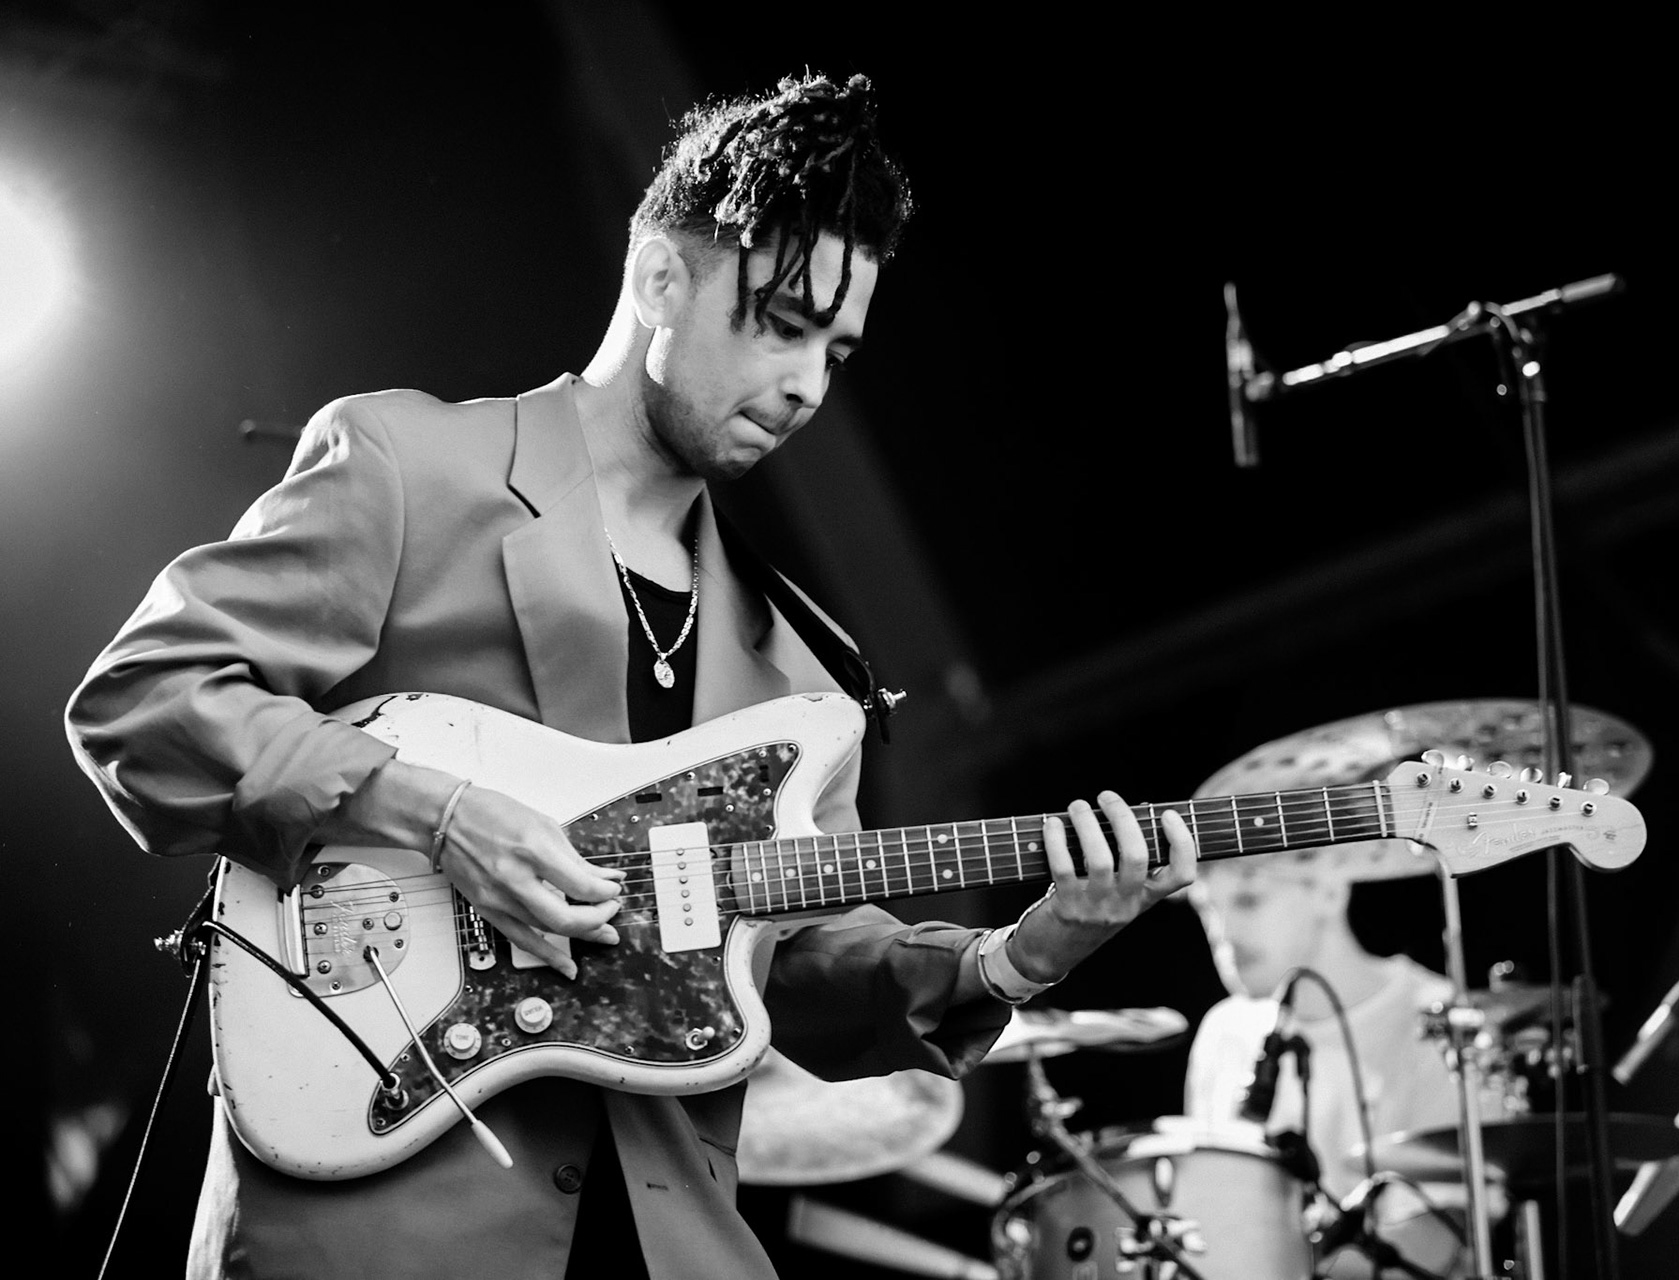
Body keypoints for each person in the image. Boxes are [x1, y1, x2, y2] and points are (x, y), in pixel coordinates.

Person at [64, 74, 1196, 1280]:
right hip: (384, 1225)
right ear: (660, 279)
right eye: (783, 324)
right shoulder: (412, 463)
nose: (810, 385)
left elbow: (805, 963)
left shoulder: (801, 670)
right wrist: (434, 812)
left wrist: (1022, 952)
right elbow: (147, 697)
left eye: (837, 350)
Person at [1180, 757, 1489, 1279]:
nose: (1224, 933)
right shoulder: (1223, 1032)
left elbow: (1438, 1235)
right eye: (1208, 909)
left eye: (1248, 900)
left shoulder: (1437, 1018)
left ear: (1329, 889)